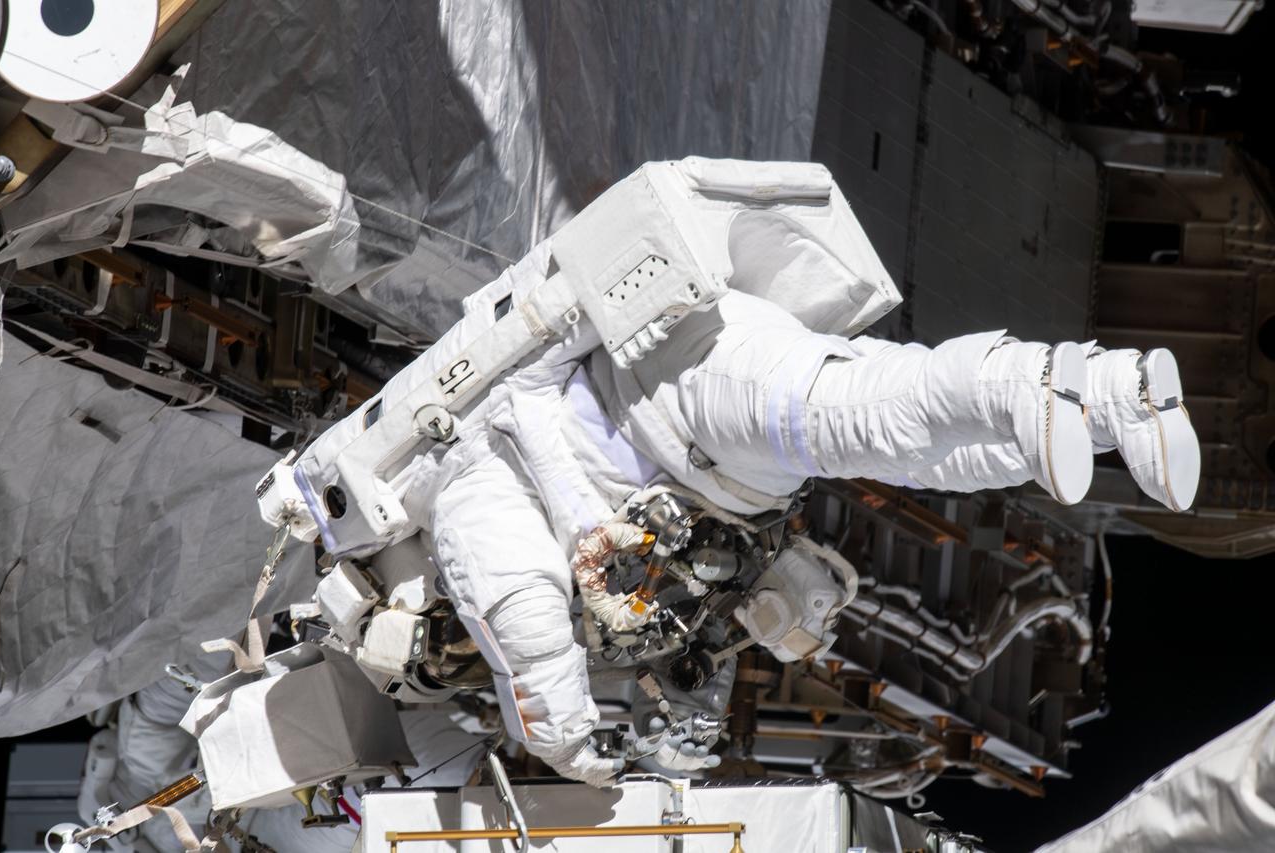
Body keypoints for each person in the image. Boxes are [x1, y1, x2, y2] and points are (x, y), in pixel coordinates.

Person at [264, 158, 1201, 788]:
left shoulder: (462, 504)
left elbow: (522, 619)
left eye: (441, 644)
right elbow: (698, 618)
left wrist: (563, 734)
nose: (456, 645)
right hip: (725, 468)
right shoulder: (493, 529)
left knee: (871, 410)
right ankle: (1092, 417)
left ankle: (1079, 380)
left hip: (679, 392)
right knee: (900, 441)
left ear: (405, 599)